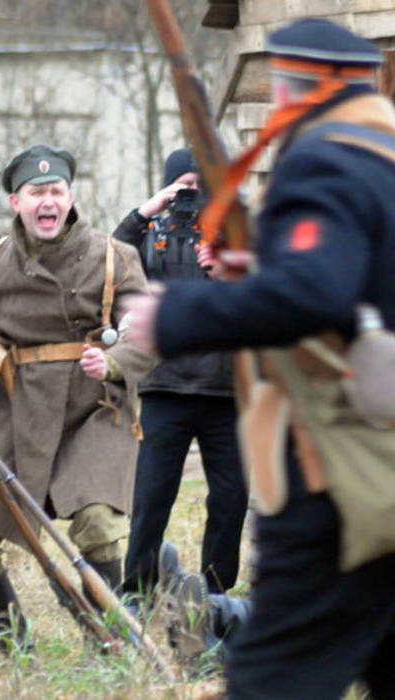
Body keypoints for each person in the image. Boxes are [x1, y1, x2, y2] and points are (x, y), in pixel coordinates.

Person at [124, 19, 395, 698]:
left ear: (294, 86)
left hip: (339, 473)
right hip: (377, 467)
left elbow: (316, 292)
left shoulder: (327, 157)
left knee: (275, 677)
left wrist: (176, 314)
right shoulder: (381, 154)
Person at [0, 144, 155, 649]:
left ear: (70, 197)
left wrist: (117, 361)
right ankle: (12, 645)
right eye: (37, 192)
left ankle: (108, 645)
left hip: (95, 408)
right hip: (15, 409)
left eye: (56, 191)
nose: (48, 201)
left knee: (97, 526)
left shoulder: (113, 257)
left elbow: (147, 327)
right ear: (16, 202)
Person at [114, 148, 247, 600]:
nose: (192, 197)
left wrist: (229, 266)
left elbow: (267, 290)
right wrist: (144, 212)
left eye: (199, 186)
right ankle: (136, 590)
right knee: (150, 499)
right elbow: (107, 264)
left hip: (226, 391)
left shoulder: (235, 235)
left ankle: (214, 595)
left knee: (231, 500)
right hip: (164, 387)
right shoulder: (149, 235)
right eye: (183, 188)